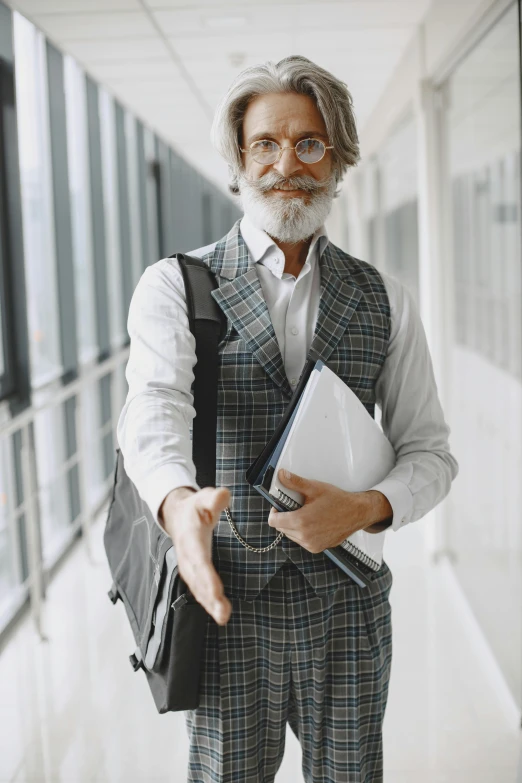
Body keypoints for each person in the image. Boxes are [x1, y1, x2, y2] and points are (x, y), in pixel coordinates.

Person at [117, 55, 458, 783]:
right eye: (265, 144)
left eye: (309, 143)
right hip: (225, 601)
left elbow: (430, 451)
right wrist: (179, 506)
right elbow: (153, 410)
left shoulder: (386, 299)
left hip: (350, 607)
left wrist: (370, 505)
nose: (286, 165)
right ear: (238, 161)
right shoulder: (177, 286)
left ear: (337, 158)